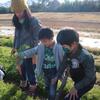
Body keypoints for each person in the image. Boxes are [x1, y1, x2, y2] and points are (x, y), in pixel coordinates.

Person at [15, 28, 64, 100]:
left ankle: (51, 97)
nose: (43, 43)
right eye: (41, 41)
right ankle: (49, 95)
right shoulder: (41, 46)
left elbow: (65, 59)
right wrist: (20, 54)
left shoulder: (59, 48)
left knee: (52, 89)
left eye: (45, 41)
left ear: (52, 38)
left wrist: (61, 73)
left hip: (54, 72)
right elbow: (32, 51)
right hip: (45, 71)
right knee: (47, 86)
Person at [53, 28, 96, 100]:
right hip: (78, 80)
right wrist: (57, 75)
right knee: (75, 96)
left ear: (74, 44)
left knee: (69, 98)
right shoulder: (68, 52)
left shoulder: (85, 57)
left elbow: (89, 77)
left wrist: (76, 87)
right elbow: (63, 64)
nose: (63, 48)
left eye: (64, 46)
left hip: (87, 82)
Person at [11, 0, 41, 93]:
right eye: (16, 12)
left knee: (30, 69)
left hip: (29, 51)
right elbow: (16, 36)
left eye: (20, 11)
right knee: (20, 68)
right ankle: (24, 81)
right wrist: (14, 47)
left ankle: (33, 85)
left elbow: (37, 38)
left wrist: (27, 49)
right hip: (19, 51)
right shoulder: (17, 21)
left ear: (25, 9)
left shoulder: (33, 21)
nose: (18, 14)